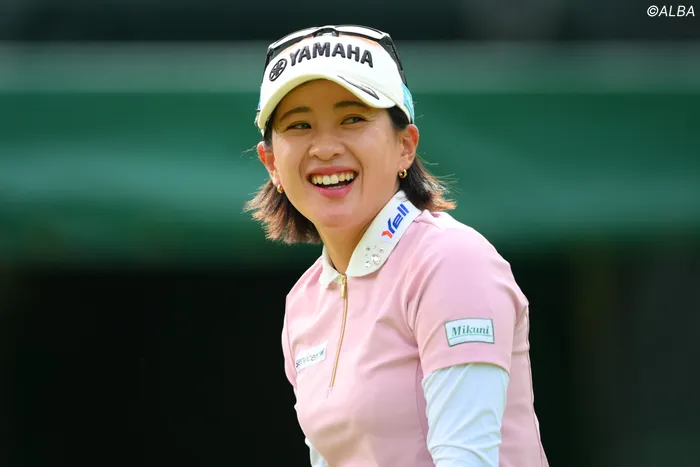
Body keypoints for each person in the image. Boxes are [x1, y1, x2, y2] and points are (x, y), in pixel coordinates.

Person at [245, 25, 549, 467]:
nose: (325, 148)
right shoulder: (304, 302)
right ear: (271, 161)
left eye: (352, 119)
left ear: (405, 146)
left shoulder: (450, 261)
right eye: (300, 125)